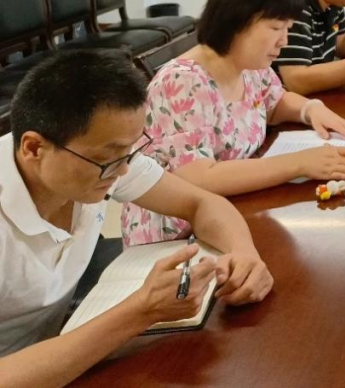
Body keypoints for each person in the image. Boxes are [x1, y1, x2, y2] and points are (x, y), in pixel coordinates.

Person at [0, 51, 273, 386]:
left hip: (66, 347)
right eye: (107, 160)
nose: (123, 172)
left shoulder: (101, 158)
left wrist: (243, 254)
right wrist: (142, 310)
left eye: (129, 153)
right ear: (33, 148)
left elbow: (203, 204)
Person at [122, 0, 345, 246]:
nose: (284, 41)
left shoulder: (249, 65)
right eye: (275, 28)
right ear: (237, 22)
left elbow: (274, 102)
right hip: (181, 231)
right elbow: (200, 178)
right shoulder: (182, 82)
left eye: (287, 29)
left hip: (234, 206)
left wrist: (310, 109)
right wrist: (300, 163)